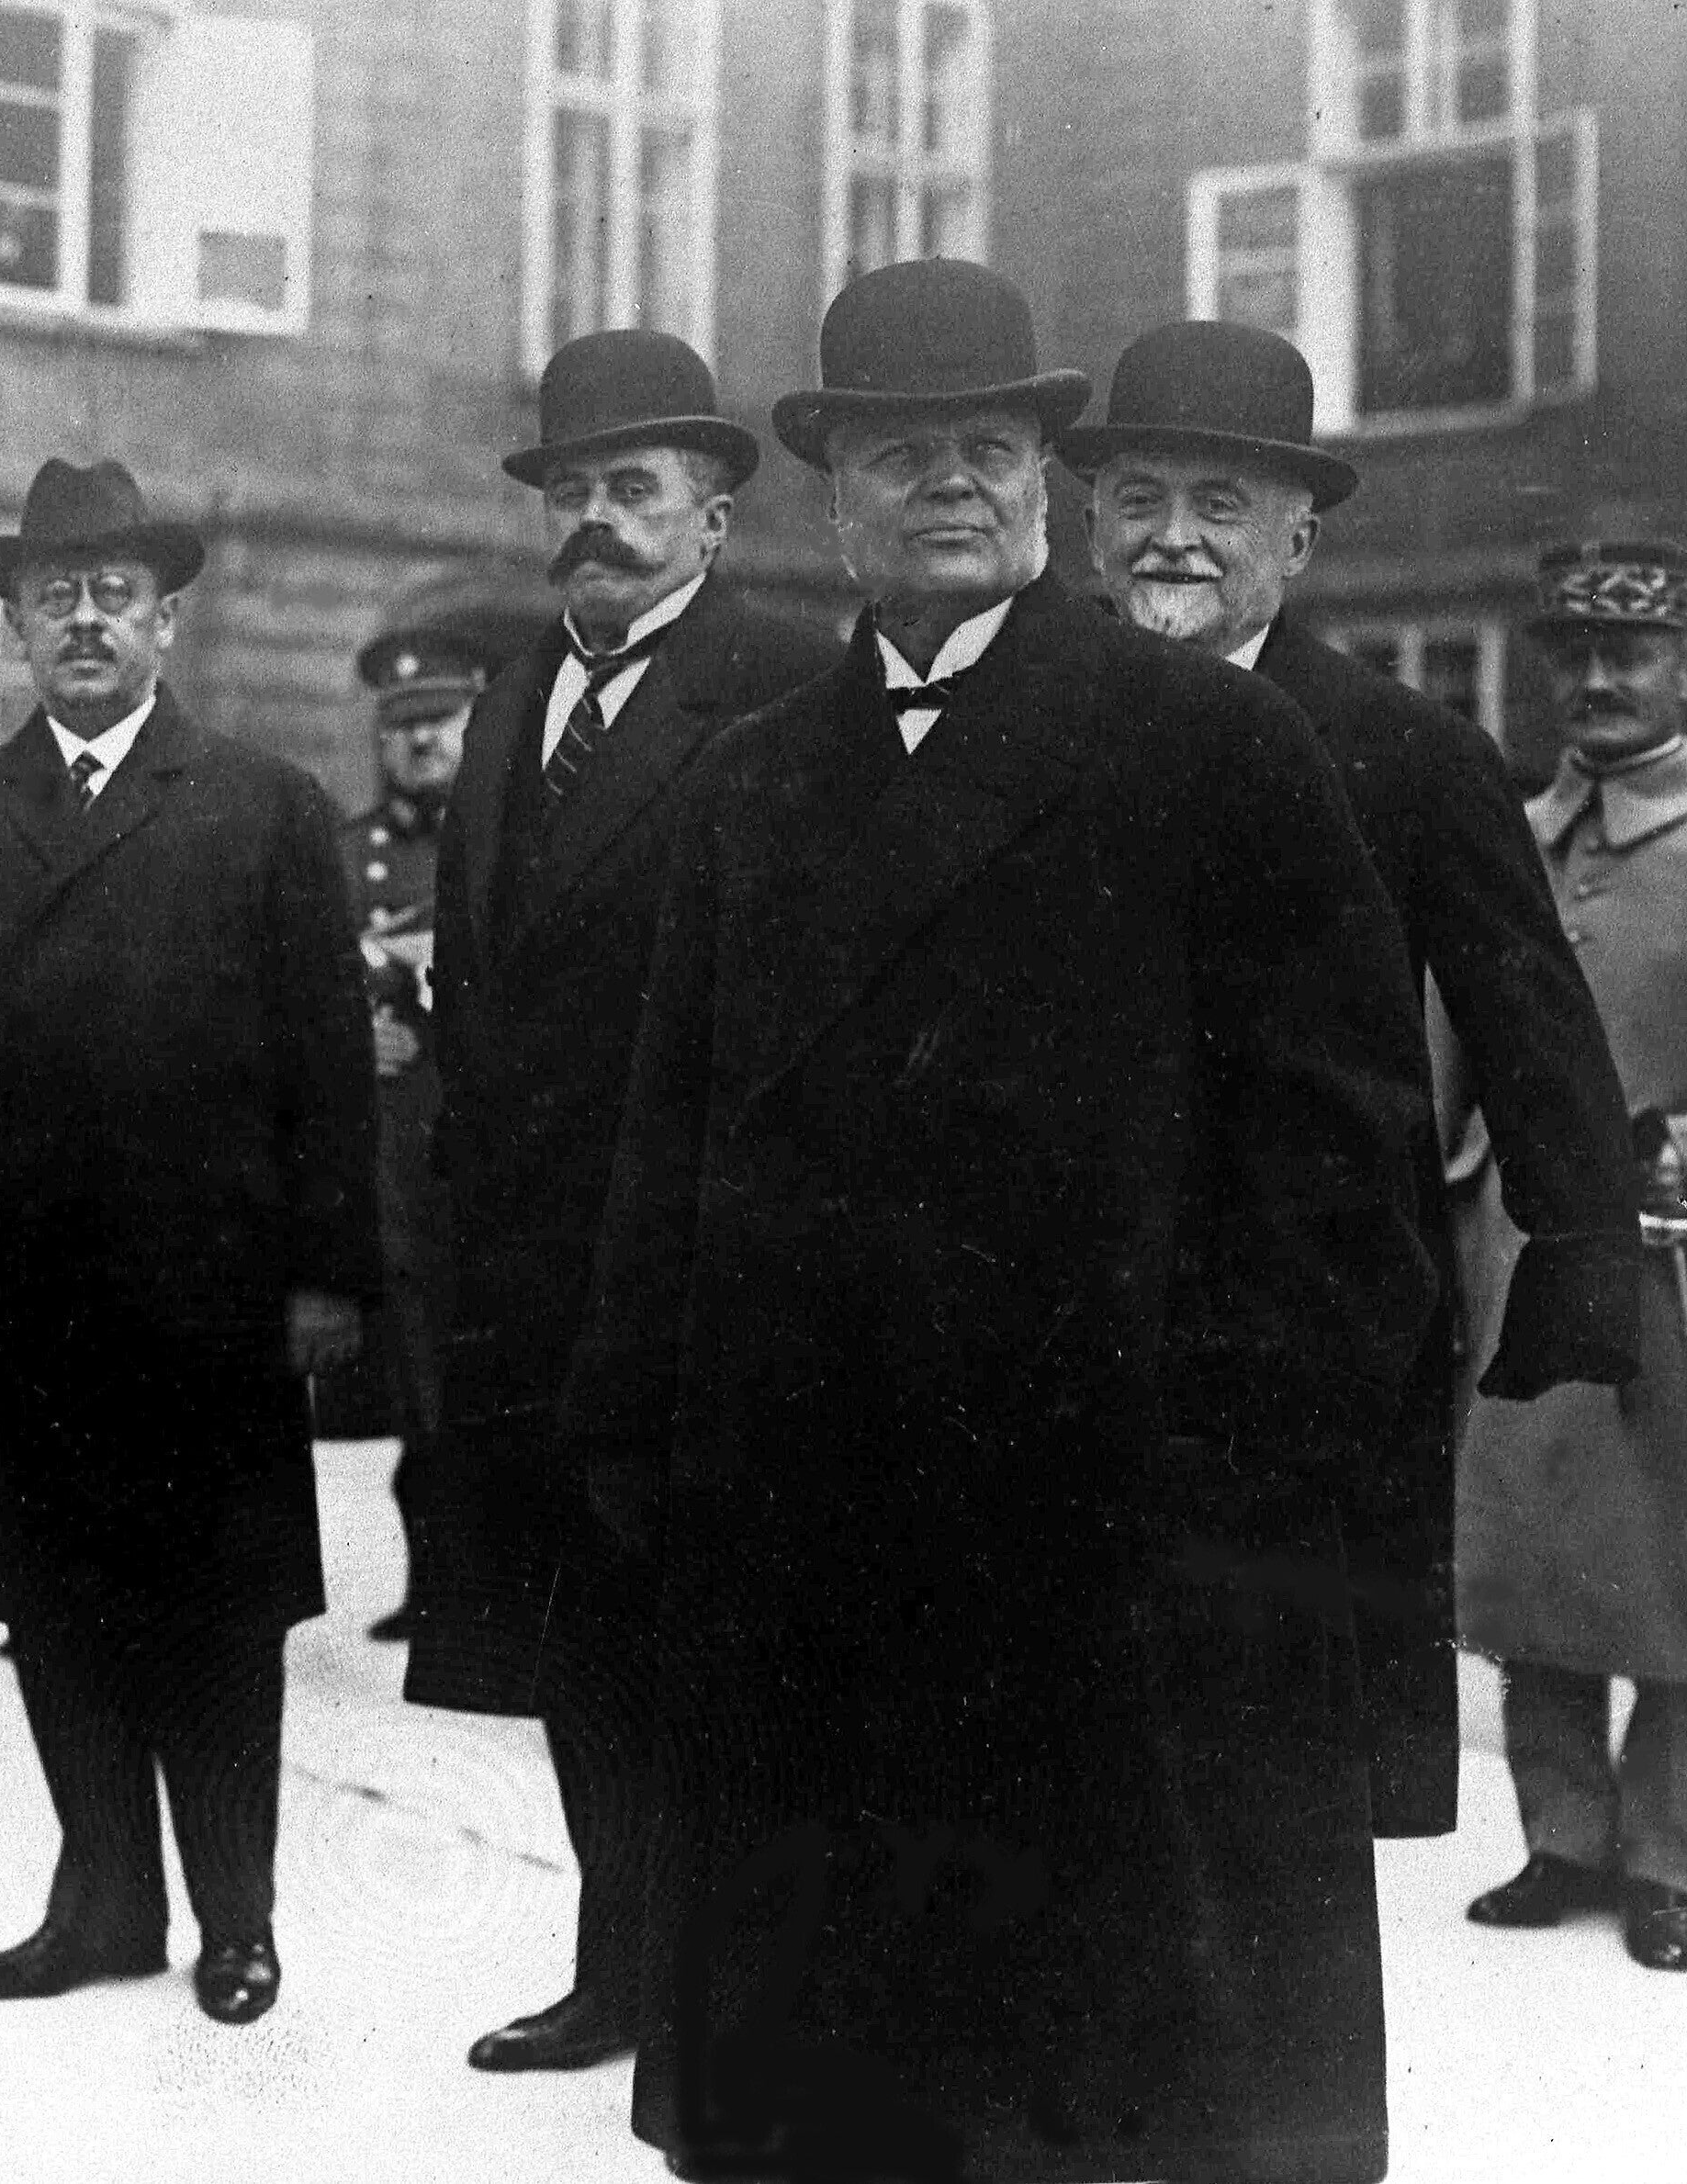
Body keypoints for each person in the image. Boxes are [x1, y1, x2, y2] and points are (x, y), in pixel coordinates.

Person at [558, 259, 1438, 2182]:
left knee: (1114, 2096)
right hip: (813, 1545)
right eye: (899, 453)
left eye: (987, 448)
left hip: (1127, 1558)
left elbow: (1347, 1178)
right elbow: (669, 1155)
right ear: (828, 491)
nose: (948, 486)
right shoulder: (748, 786)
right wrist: (642, 1454)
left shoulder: (1209, 749)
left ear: (1046, 474)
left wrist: (1233, 1476)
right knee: (847, 2086)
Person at [1068, 320, 1638, 1845]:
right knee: (1073, 1757)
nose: (1171, 538)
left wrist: (1579, 1258)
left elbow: (1533, 1018)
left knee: (1282, 1768)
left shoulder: (1406, 750)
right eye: (1139, 498)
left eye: (1222, 504)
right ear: (1091, 517)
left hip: (1310, 1328)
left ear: (1300, 536)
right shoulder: (1036, 730)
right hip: (1065, 1320)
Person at [0, 456, 380, 2030]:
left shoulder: (264, 807)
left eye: (113, 596)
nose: (84, 621)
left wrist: (326, 1271)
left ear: (168, 620)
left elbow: (325, 1064)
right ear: (17, 630)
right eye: (54, 599)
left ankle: (238, 1916)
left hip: (203, 1297)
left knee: (213, 1616)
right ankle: (100, 1903)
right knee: (53, 1604)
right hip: (10, 1301)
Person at [410, 328, 840, 2079]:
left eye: (636, 492)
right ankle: (620, 1968)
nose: (598, 524)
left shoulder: (786, 686)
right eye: (573, 492)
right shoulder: (521, 689)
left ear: (716, 518)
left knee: (710, 1649)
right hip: (529, 1271)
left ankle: (736, 1991)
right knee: (579, 1644)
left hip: (695, 1269)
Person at [1453, 539, 1687, 1974]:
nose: (1596, 681)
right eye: (1574, 657)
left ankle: (1668, 1857)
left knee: (1674, 1552)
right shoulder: (1514, 834)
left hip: (1673, 1252)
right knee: (1536, 1549)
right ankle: (1562, 1837)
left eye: (1633, 654)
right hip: (1523, 1244)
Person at [335, 572, 553, 1641]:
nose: (421, 747)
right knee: (418, 1375)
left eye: (441, 724)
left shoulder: (524, 843)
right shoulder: (343, 856)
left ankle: (513, 1586)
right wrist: (347, 1034)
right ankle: (438, 1585)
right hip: (398, 1162)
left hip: (505, 1150)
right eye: (402, 730)